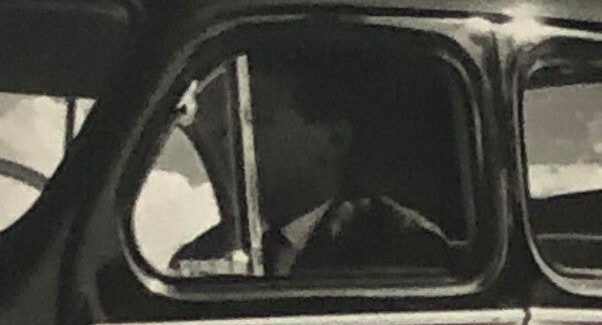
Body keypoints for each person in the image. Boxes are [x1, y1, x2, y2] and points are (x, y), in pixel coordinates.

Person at [171, 58, 454, 278]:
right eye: (227, 126)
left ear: (333, 140)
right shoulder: (204, 254)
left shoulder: (401, 247)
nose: (230, 140)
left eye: (257, 121)